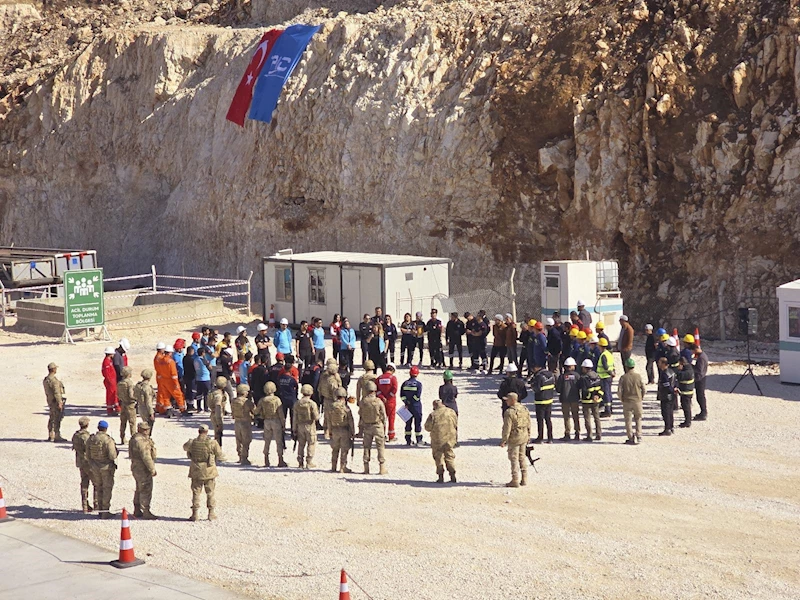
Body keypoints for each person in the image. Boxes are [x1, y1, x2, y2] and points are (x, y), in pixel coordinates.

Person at [183, 424, 225, 521]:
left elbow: (185, 448)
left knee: (196, 492)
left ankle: (195, 514)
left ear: (198, 431)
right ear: (207, 432)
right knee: (210, 492)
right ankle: (211, 513)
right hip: (209, 471)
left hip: (196, 470)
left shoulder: (192, 442)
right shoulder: (212, 443)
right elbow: (220, 455)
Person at [85, 420, 117, 519]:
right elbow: (112, 456)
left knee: (98, 488)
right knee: (107, 489)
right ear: (106, 429)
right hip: (106, 468)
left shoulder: (91, 439)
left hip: (95, 467)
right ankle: (105, 511)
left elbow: (88, 454)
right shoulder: (108, 440)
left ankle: (100, 510)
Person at [499, 392, 531, 488]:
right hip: (524, 435)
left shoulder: (509, 412)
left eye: (507, 400)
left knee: (513, 458)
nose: (506, 402)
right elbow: (529, 423)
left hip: (515, 437)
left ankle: (515, 479)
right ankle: (524, 478)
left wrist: (504, 440)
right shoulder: (524, 409)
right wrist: (529, 435)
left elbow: (507, 427)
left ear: (512, 400)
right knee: (522, 457)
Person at [129, 422, 158, 519]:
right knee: (145, 488)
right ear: (140, 429)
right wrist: (152, 469)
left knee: (139, 488)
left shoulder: (135, 438)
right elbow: (146, 456)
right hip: (142, 468)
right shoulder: (140, 441)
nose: (147, 431)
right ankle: (146, 511)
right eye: (145, 430)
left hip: (136, 467)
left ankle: (137, 509)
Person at [424, 399, 458, 483]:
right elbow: (456, 423)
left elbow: (427, 427)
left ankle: (440, 476)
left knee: (438, 458)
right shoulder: (451, 412)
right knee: (449, 456)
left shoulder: (433, 415)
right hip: (450, 438)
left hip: (438, 439)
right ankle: (452, 475)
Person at [255, 381, 288, 467]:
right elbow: (280, 413)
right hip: (276, 421)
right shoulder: (277, 400)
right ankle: (280, 460)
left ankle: (266, 460)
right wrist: (283, 423)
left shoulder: (262, 400)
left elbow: (256, 411)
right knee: (278, 441)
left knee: (267, 441)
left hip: (266, 421)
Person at [359, 380, 387, 474]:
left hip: (367, 426)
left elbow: (361, 416)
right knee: (380, 447)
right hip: (378, 425)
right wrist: (384, 428)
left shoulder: (363, 401)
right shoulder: (378, 401)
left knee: (367, 447)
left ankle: (366, 468)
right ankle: (382, 468)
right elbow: (384, 416)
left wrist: (360, 430)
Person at [72, 416, 97, 513]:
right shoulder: (86, 437)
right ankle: (96, 504)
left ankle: (85, 505)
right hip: (88, 462)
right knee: (96, 483)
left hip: (80, 461)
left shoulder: (76, 435)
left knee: (84, 483)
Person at [618, 358, 646, 445]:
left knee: (628, 420)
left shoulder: (623, 377)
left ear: (626, 367)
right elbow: (644, 389)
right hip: (637, 400)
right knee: (638, 419)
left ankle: (630, 437)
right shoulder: (638, 376)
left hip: (627, 401)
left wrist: (622, 399)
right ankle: (639, 435)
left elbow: (619, 391)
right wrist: (641, 397)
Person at [328, 387, 355, 473]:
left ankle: (333, 466)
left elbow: (328, 420)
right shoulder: (345, 407)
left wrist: (330, 431)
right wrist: (352, 432)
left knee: (335, 449)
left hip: (335, 430)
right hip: (344, 430)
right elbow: (350, 420)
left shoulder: (332, 406)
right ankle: (342, 467)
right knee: (344, 449)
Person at [292, 384, 318, 469]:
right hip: (310, 425)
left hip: (300, 426)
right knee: (311, 443)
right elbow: (316, 417)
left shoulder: (297, 403)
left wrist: (294, 429)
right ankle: (309, 462)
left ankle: (300, 462)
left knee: (301, 444)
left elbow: (294, 417)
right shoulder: (312, 404)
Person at [556, 357, 581, 441]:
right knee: (575, 416)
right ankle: (577, 433)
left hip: (564, 399)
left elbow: (558, 389)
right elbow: (580, 387)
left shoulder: (562, 377)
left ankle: (567, 433)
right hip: (575, 399)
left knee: (566, 417)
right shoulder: (577, 376)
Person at [579, 358, 603, 442]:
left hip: (586, 401)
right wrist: (597, 395)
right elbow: (601, 388)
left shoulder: (584, 378)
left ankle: (589, 436)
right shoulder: (597, 376)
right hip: (596, 401)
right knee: (597, 417)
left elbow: (584, 390)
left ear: (585, 368)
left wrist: (589, 396)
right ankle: (598, 434)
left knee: (587, 418)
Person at [531, 364, 556, 444]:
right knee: (548, 419)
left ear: (536, 367)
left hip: (540, 401)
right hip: (549, 400)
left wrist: (532, 385)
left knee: (540, 420)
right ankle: (550, 438)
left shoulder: (539, 376)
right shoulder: (551, 375)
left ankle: (540, 438)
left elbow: (537, 389)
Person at [318, 359, 342, 438]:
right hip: (333, 399)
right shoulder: (333, 380)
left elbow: (319, 388)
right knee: (332, 416)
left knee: (326, 416)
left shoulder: (323, 376)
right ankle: (330, 432)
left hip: (325, 398)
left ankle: (326, 431)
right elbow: (336, 390)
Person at [231, 384, 254, 465]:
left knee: (238, 440)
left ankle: (240, 456)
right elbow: (255, 411)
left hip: (237, 422)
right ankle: (244, 458)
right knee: (246, 440)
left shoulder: (234, 401)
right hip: (245, 422)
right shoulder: (247, 402)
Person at [44, 362, 67, 442]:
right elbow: (57, 392)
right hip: (55, 402)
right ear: (53, 369)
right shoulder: (54, 381)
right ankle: (56, 435)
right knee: (57, 418)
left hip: (50, 401)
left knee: (51, 418)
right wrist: (60, 402)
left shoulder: (46, 379)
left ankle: (51, 434)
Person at [401, 365, 424, 446]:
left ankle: (408, 440)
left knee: (408, 424)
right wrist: (412, 402)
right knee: (417, 423)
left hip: (407, 407)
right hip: (416, 406)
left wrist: (407, 402)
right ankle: (419, 440)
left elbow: (402, 395)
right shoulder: (418, 384)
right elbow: (417, 396)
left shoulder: (404, 383)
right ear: (417, 374)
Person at [376, 364, 399, 442]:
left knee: (382, 418)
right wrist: (388, 397)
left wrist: (382, 397)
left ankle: (382, 435)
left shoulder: (379, 378)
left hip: (381, 401)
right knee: (391, 419)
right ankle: (391, 436)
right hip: (391, 401)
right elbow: (394, 389)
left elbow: (377, 390)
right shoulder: (393, 378)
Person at [656, 357, 677, 436]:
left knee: (666, 413)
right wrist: (674, 390)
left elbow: (667, 386)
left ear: (664, 364)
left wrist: (671, 390)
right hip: (672, 396)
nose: (658, 364)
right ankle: (671, 427)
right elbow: (675, 382)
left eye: (660, 363)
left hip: (666, 396)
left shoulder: (664, 374)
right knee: (670, 412)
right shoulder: (671, 371)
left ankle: (667, 429)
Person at [117, 366, 137, 444]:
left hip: (123, 404)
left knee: (123, 422)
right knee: (132, 423)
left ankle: (122, 438)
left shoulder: (120, 383)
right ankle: (133, 440)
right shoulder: (129, 383)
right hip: (130, 405)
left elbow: (118, 394)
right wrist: (136, 398)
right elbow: (131, 395)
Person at [597, 338, 616, 417]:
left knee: (606, 394)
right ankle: (610, 409)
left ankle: (607, 410)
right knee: (609, 393)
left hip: (605, 377)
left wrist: (610, 372)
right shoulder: (609, 353)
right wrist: (613, 372)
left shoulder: (603, 355)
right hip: (608, 377)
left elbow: (605, 367)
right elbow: (613, 365)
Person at [676, 356, 695, 428]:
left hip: (686, 392)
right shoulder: (689, 368)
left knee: (686, 407)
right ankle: (687, 420)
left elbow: (680, 376)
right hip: (686, 391)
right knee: (685, 406)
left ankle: (688, 422)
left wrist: (679, 371)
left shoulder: (687, 371)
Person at [693, 342, 709, 421]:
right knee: (700, 396)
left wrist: (691, 367)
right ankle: (703, 412)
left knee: (700, 396)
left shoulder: (701, 358)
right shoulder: (702, 356)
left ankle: (703, 412)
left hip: (700, 379)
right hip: (701, 378)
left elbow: (699, 370)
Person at [102, 346, 120, 415]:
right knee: (112, 395)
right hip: (110, 381)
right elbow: (107, 373)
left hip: (112, 381)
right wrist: (110, 382)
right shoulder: (106, 362)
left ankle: (113, 408)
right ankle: (113, 409)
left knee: (113, 395)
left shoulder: (108, 361)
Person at [209, 376, 227, 446]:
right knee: (218, 434)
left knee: (217, 434)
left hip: (214, 413)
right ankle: (217, 451)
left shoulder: (214, 391)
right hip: (217, 415)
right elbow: (218, 406)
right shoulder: (218, 395)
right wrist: (219, 421)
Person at [193, 347, 211, 413]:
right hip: (205, 378)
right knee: (206, 394)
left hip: (198, 378)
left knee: (199, 394)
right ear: (203, 353)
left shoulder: (195, 360)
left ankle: (199, 408)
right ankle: (206, 408)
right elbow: (210, 367)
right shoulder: (203, 360)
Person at [183, 346, 197, 411]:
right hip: (191, 377)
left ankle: (188, 405)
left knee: (188, 391)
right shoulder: (191, 360)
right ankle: (191, 406)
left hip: (186, 376)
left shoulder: (184, 358)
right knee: (192, 391)